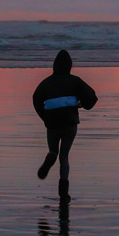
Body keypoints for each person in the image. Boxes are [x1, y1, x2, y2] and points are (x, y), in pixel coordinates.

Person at [33, 50, 98, 201]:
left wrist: (45, 117)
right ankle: (63, 191)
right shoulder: (75, 81)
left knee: (54, 150)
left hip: (52, 124)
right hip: (70, 122)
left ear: (54, 65)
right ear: (70, 66)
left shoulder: (46, 82)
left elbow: (36, 98)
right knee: (65, 157)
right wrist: (83, 104)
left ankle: (51, 155)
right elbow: (92, 96)